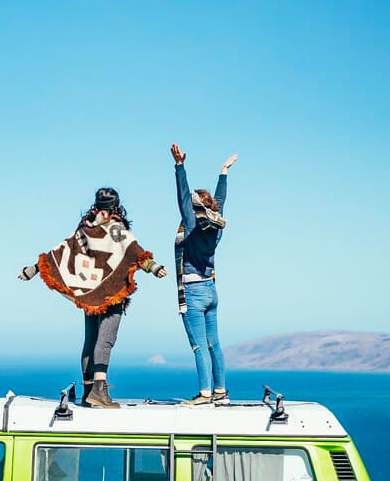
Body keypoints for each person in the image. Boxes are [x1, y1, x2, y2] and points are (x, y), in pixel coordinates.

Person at [19, 187, 167, 408]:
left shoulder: (84, 228)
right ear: (115, 206)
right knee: (105, 340)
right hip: (112, 294)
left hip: (90, 296)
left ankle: (88, 391)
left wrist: (33, 269)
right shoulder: (116, 228)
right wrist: (154, 267)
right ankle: (99, 391)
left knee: (90, 341)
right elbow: (134, 253)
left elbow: (59, 253)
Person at [171, 143, 237, 406]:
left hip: (194, 291)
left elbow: (183, 197)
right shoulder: (216, 227)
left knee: (198, 345)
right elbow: (220, 202)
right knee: (214, 344)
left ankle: (205, 393)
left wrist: (179, 167)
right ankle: (221, 391)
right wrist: (223, 173)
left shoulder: (192, 226)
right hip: (211, 291)